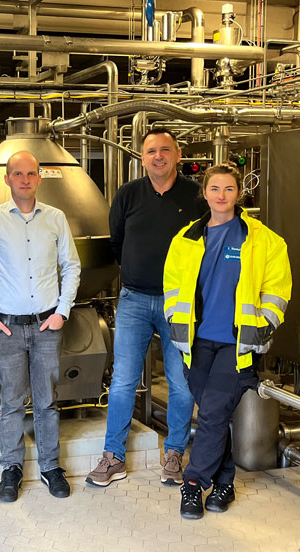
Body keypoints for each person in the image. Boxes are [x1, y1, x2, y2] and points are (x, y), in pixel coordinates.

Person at [163, 164, 291, 519]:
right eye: (215, 188)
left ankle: (192, 484)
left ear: (239, 194)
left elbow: (277, 290)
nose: (221, 195)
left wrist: (263, 327)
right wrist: (176, 321)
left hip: (236, 345)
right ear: (204, 193)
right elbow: (172, 288)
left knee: (214, 413)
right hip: (197, 342)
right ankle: (225, 482)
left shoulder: (263, 240)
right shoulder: (186, 239)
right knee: (212, 417)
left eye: (229, 189)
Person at [87, 126, 207, 488]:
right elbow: (117, 240)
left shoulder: (196, 196)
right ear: (143, 158)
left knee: (180, 384)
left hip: (180, 304)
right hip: (135, 299)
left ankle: (174, 454)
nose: (158, 156)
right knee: (122, 381)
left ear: (178, 155)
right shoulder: (128, 194)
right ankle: (113, 457)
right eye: (151, 151)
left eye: (165, 150)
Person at [0, 150, 82, 503]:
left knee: (48, 400)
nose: (24, 179)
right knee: (11, 402)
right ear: (6, 179)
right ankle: (11, 469)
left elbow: (71, 266)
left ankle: (51, 467)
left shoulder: (55, 218)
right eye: (17, 173)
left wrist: (62, 312)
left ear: (39, 178)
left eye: (30, 173)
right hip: (6, 328)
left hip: (46, 327)